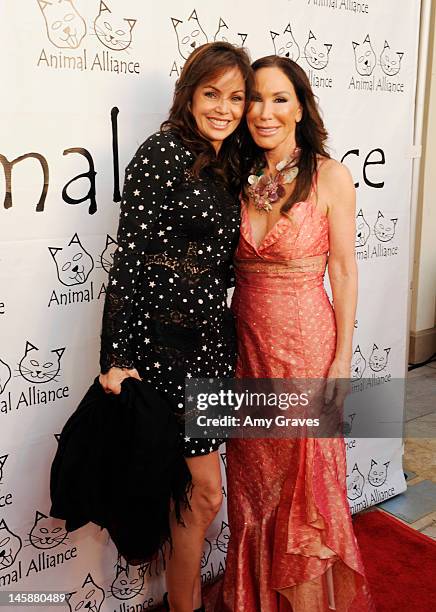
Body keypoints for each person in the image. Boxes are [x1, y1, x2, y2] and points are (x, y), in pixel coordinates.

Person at [98, 42, 253, 612]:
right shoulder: (160, 152)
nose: (224, 107)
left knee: (196, 497)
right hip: (163, 351)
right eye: (212, 93)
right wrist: (114, 355)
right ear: (188, 93)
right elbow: (130, 259)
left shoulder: (231, 162)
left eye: (236, 97)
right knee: (204, 491)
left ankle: (183, 602)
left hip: (211, 345)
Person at [219, 56, 375, 611]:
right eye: (254, 98)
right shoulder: (235, 173)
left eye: (279, 98)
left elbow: (345, 269)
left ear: (302, 106)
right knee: (253, 480)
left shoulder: (329, 175)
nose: (263, 111)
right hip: (245, 348)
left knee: (303, 481)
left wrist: (342, 359)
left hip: (307, 345)